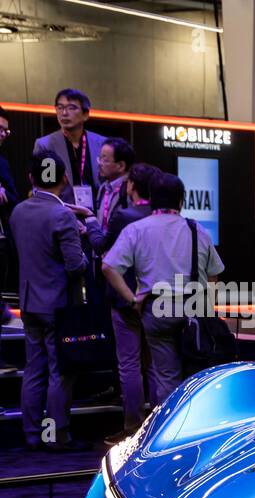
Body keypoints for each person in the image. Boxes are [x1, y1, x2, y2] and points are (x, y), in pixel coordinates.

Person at [102, 173, 224, 407]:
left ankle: (167, 434)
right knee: (196, 374)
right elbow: (213, 273)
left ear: (152, 199)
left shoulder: (136, 229)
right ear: (181, 201)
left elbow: (108, 266)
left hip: (155, 308)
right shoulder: (196, 229)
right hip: (193, 307)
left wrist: (132, 299)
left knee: (166, 376)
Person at [8, 150, 103, 451]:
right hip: (58, 305)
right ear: (64, 179)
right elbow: (76, 265)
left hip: (29, 301)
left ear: (30, 178)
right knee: (58, 372)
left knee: (33, 369)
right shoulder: (62, 215)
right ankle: (56, 435)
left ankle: (32, 433)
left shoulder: (18, 212)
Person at [98, 163, 157, 442]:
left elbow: (103, 248)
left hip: (127, 298)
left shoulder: (124, 216)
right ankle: (159, 426)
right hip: (156, 299)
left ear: (131, 185)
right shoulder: (161, 217)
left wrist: (86, 223)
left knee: (129, 364)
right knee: (155, 365)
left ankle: (133, 427)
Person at [34, 89, 105, 206]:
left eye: (71, 108)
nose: (64, 113)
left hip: (97, 213)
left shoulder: (102, 144)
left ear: (86, 114)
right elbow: (46, 187)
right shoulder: (46, 145)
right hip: (61, 212)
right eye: (60, 107)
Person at [95, 137, 133, 230]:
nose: (100, 164)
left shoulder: (131, 188)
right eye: (100, 158)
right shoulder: (103, 187)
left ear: (121, 166)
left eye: (105, 160)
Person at [0, 106, 17, 298]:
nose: (4, 134)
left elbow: (14, 197)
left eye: (6, 130)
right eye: (0, 128)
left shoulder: (3, 162)